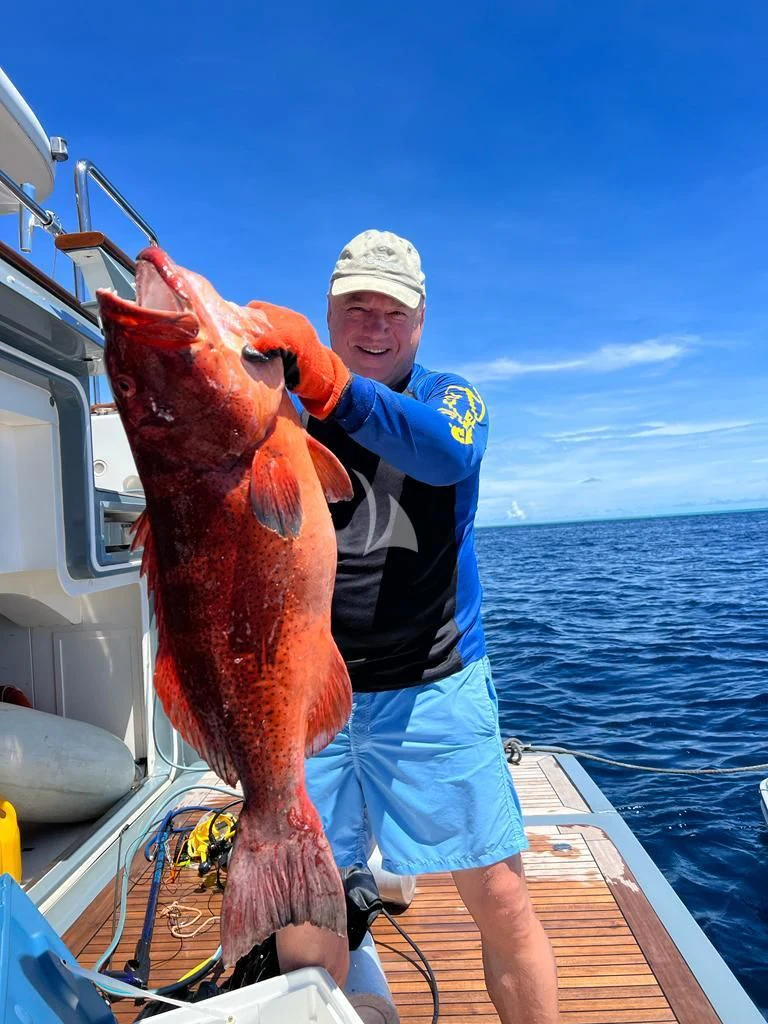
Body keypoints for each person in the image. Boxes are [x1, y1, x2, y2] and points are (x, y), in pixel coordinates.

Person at [245, 230, 560, 1023]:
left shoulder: (453, 399)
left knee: (498, 895)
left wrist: (328, 380)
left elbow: (448, 454)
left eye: (394, 310)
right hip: (310, 701)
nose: (375, 325)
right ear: (329, 311)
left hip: (435, 689)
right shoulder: (280, 413)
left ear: (420, 323)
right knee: (307, 910)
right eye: (357, 306)